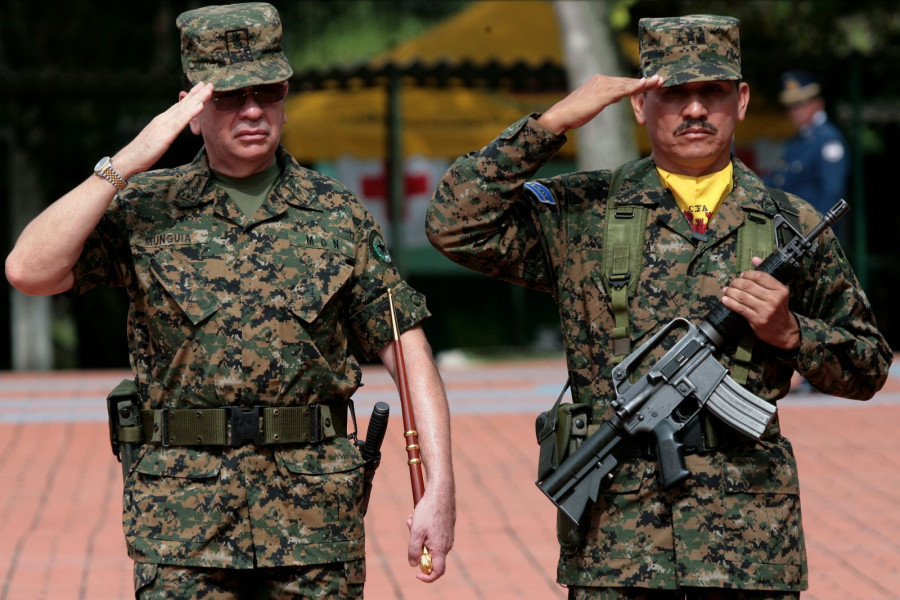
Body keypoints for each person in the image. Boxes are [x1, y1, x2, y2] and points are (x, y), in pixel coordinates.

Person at [427, 14, 890, 600]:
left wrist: (792, 334)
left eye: (712, 92)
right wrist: (550, 124)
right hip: (616, 545)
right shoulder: (584, 212)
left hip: (748, 546)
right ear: (641, 105)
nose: (694, 110)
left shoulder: (790, 224)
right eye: (673, 93)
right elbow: (454, 225)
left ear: (741, 100)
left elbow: (870, 365)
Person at [5, 3, 455, 598]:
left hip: (313, 523)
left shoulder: (335, 213)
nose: (251, 110)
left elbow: (408, 351)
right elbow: (29, 270)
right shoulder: (146, 209)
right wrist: (127, 164)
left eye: (267, 91)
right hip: (182, 523)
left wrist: (439, 486)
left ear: (285, 95)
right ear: (191, 108)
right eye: (229, 96)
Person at [764, 70, 850, 239]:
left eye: (801, 104)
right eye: (791, 106)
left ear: (818, 103)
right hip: (793, 231)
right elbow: (779, 182)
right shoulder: (797, 141)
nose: (796, 111)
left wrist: (815, 235)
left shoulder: (828, 140)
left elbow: (831, 195)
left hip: (813, 236)